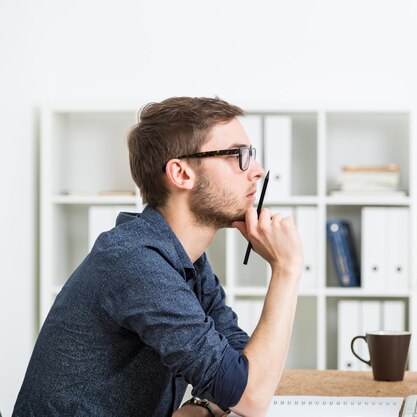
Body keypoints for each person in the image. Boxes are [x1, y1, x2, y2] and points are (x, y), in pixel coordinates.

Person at [13, 97, 303, 417]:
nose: (258, 171)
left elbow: (242, 371)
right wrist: (286, 269)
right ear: (180, 173)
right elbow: (251, 396)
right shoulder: (137, 263)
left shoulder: (186, 261)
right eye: (238, 155)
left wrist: (204, 405)